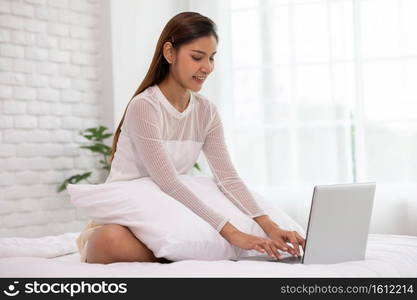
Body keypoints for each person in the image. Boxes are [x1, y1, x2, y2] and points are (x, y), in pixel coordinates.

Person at [76, 11, 305, 264]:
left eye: (212, 58)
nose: (206, 68)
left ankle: (174, 253)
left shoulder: (206, 111)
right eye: (197, 57)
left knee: (202, 226)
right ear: (170, 53)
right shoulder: (144, 106)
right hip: (131, 213)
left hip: (169, 209)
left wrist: (269, 226)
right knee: (109, 241)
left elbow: (227, 178)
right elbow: (168, 182)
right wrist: (233, 234)